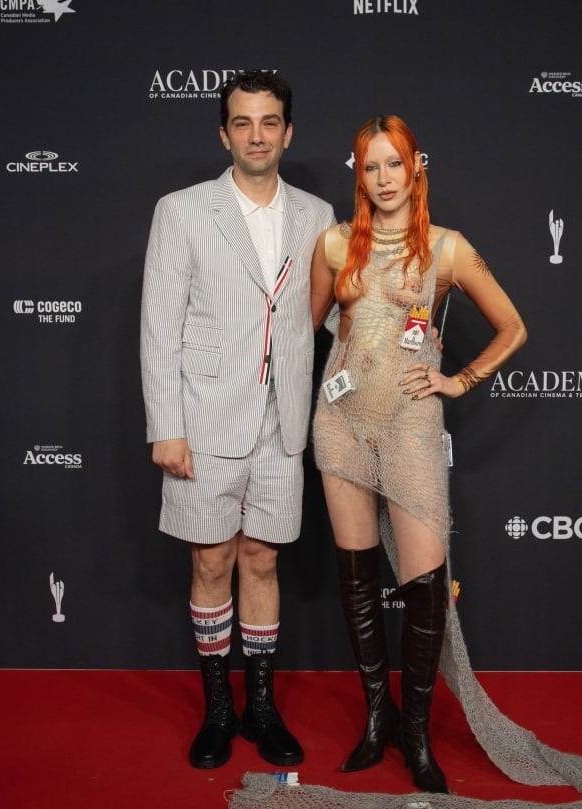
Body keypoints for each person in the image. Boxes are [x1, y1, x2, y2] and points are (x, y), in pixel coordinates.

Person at [309, 115, 527, 793]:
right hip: (340, 423)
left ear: (414, 169)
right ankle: (378, 719)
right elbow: (308, 328)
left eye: (393, 165)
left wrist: (455, 379)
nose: (383, 179)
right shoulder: (335, 242)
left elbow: (513, 327)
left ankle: (417, 734)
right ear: (359, 176)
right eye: (370, 167)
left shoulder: (448, 248)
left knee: (425, 589)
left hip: (411, 426)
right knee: (356, 576)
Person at [140, 70, 335, 770]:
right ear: (225, 134)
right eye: (244, 123)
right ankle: (218, 710)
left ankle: (262, 706)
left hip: (283, 423)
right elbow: (158, 327)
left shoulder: (316, 214)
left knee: (261, 558)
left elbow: (333, 311)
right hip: (204, 421)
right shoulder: (183, 211)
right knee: (213, 558)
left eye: (271, 121)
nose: (258, 134)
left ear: (288, 131)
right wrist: (167, 424)